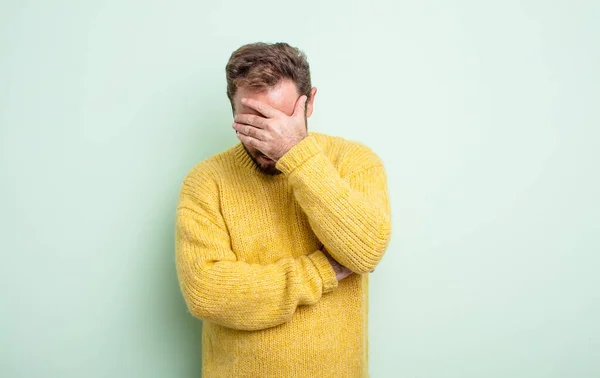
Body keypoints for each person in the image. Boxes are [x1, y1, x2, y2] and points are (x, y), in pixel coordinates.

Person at [175, 42, 392, 377]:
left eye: (280, 119)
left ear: (310, 102)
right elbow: (206, 292)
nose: (267, 136)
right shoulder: (207, 181)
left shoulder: (354, 162)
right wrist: (320, 271)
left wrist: (295, 152)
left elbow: (364, 253)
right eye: (252, 122)